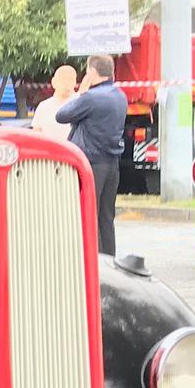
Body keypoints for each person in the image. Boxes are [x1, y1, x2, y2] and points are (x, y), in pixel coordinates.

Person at [56, 54, 128, 256]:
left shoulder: (91, 98)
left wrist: (82, 92)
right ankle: (109, 262)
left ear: (92, 73)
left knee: (88, 215)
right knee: (106, 217)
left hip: (90, 164)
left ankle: (91, 262)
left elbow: (62, 115)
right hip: (112, 164)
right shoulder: (120, 96)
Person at [31, 65, 77, 142]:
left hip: (73, 151)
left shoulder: (81, 104)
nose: (67, 83)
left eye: (70, 79)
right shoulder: (44, 106)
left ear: (75, 82)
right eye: (63, 79)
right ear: (54, 82)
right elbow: (36, 135)